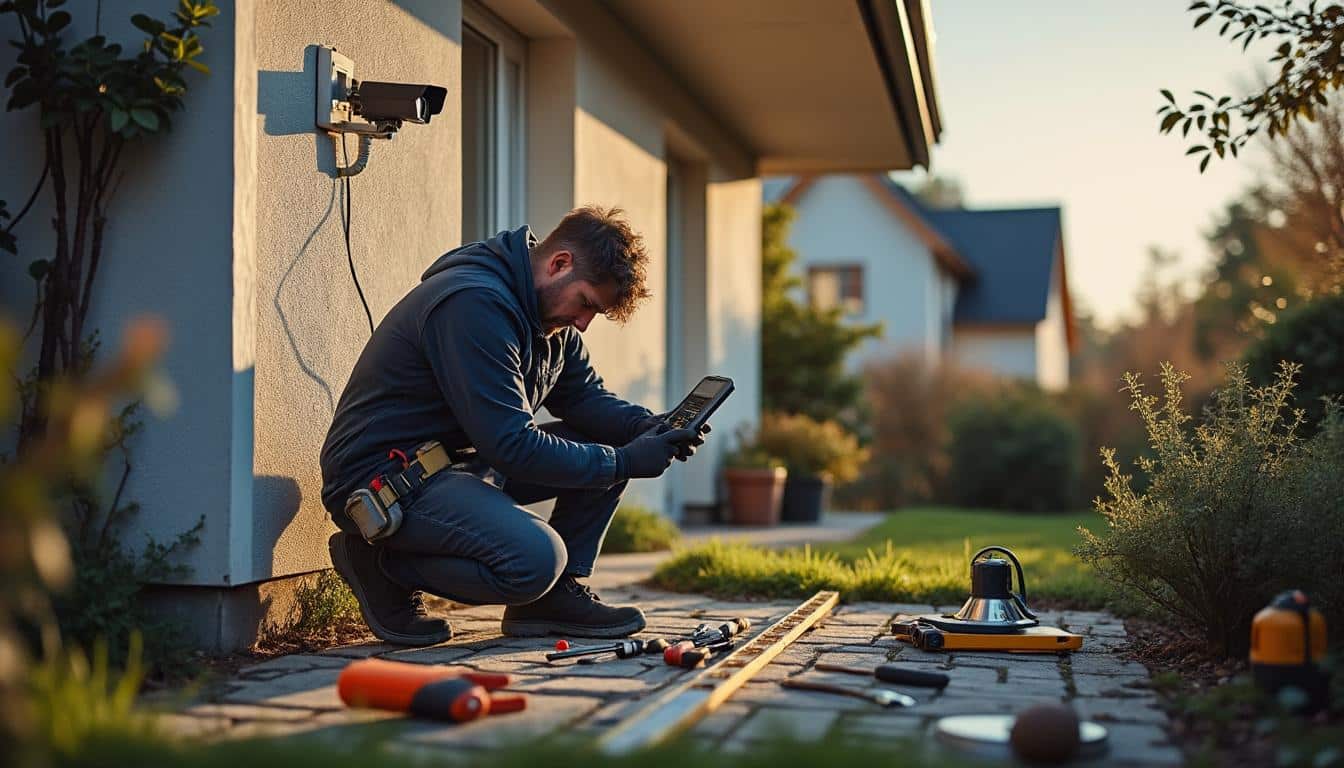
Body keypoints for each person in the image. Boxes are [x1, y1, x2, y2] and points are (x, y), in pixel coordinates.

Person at [319, 205, 708, 646]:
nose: (582, 323)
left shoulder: (546, 322)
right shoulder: (474, 304)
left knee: (610, 440)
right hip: (387, 480)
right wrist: (623, 463)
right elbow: (511, 445)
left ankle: (551, 602)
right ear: (559, 264)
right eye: (585, 304)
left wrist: (648, 428)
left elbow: (584, 400)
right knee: (536, 559)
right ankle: (379, 563)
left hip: (455, 467)